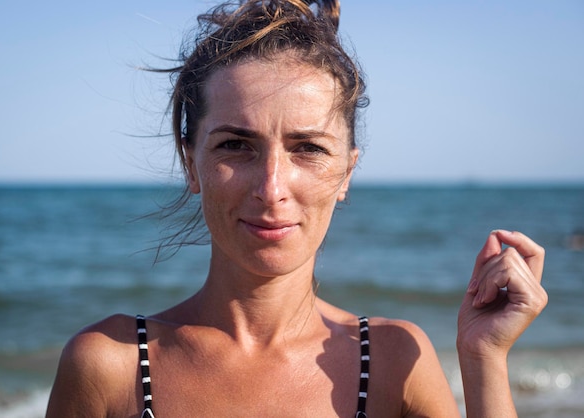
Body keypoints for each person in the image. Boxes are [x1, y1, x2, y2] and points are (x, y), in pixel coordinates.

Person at [46, 1, 547, 417]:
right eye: (235, 146)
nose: (271, 187)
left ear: (347, 172)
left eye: (307, 148)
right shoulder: (111, 364)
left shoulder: (396, 361)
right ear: (191, 164)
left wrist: (484, 359)